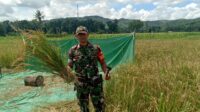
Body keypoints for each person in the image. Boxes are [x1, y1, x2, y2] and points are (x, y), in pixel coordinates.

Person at [67, 26, 110, 112]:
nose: (82, 36)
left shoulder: (96, 48)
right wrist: (66, 72)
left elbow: (102, 62)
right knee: (84, 108)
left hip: (95, 83)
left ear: (88, 35)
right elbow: (69, 65)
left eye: (84, 34)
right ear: (76, 36)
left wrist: (106, 72)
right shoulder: (72, 50)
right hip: (81, 84)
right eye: (80, 34)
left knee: (100, 107)